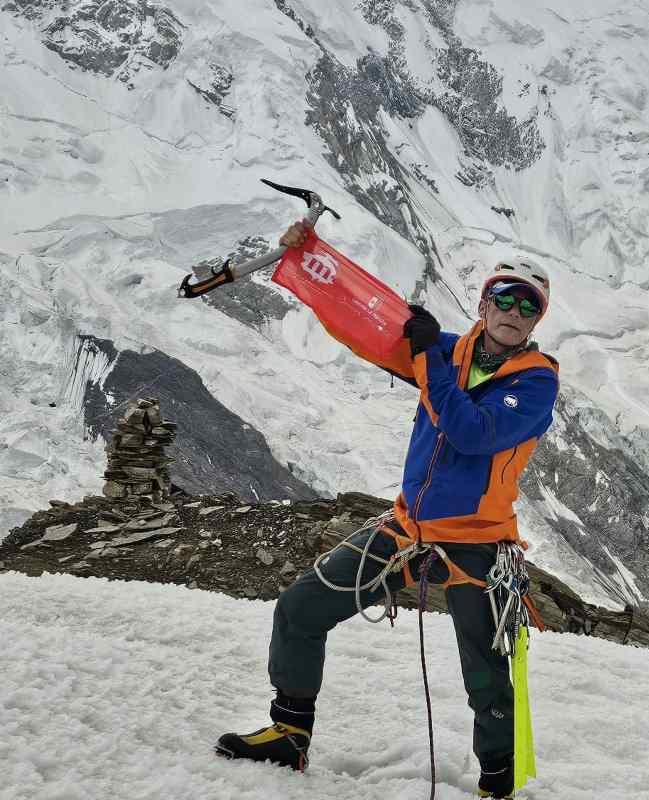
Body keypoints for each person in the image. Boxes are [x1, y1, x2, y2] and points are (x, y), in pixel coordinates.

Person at [215, 222, 558, 799]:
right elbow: (363, 324)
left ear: (536, 320)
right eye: (505, 296)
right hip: (407, 528)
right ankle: (289, 732)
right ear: (484, 302)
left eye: (528, 304)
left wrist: (429, 358)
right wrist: (304, 253)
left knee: (488, 676)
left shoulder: (536, 383)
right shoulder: (446, 350)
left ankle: (496, 786)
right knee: (299, 609)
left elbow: (470, 431)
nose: (515, 309)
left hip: (478, 543)